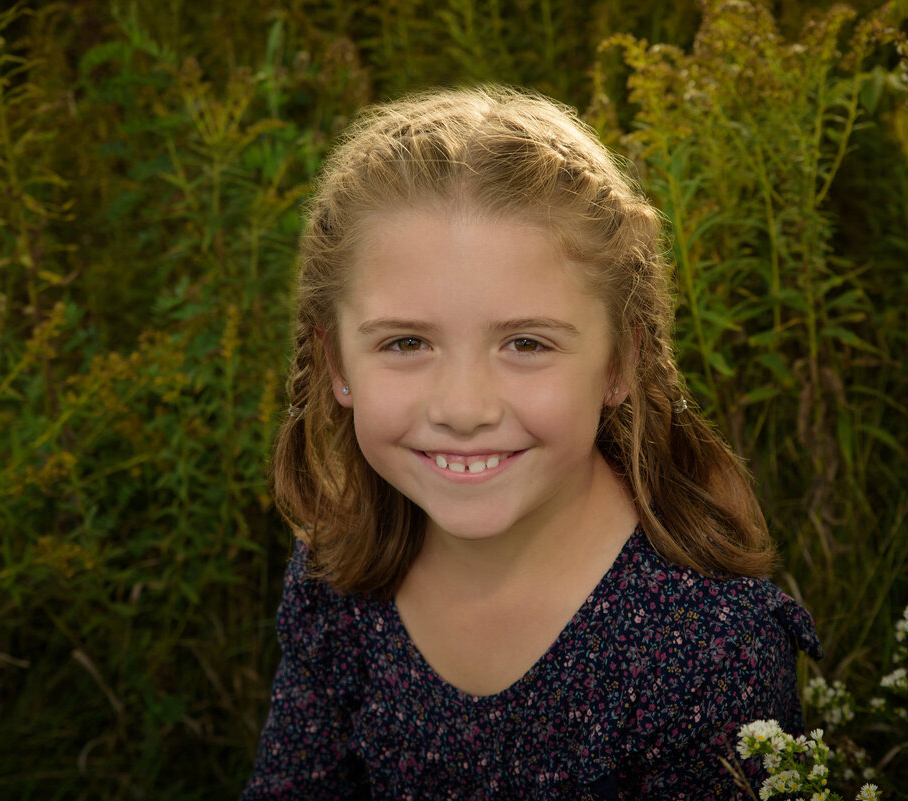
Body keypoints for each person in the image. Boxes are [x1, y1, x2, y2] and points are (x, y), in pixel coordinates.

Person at [242, 85, 821, 800]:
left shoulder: (704, 648)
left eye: (524, 342)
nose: (463, 408)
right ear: (337, 366)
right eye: (405, 341)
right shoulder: (340, 574)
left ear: (618, 363)